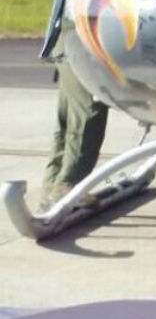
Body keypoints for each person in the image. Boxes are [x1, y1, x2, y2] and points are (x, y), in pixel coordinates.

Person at [40, 59, 108, 212]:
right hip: (84, 54)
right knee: (88, 115)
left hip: (65, 53)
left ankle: (52, 184)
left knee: (67, 119)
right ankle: (68, 184)